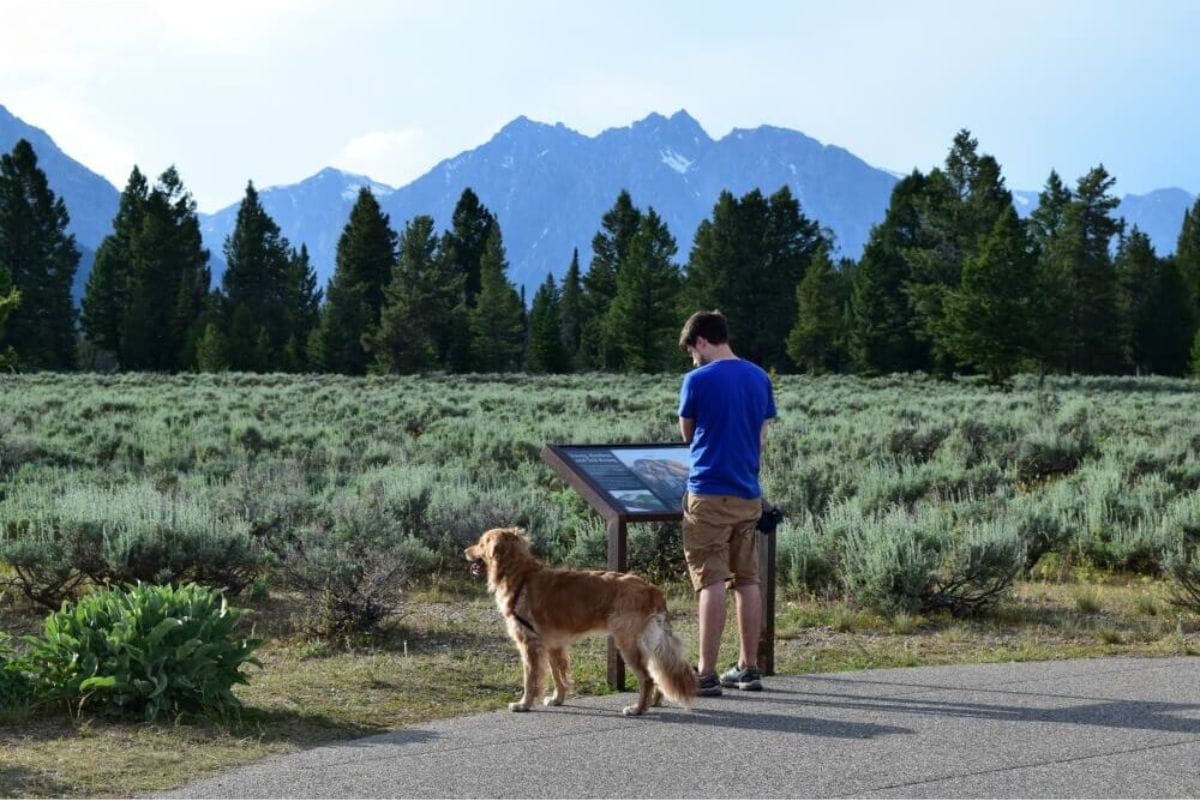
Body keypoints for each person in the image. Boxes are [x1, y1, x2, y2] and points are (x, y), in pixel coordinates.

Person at [677, 310, 776, 696]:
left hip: (708, 490)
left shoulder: (697, 380)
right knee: (747, 578)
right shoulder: (759, 376)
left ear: (701, 340)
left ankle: (705, 672)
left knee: (711, 579)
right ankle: (749, 666)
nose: (693, 358)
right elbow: (762, 435)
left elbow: (688, 433)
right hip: (747, 491)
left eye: (691, 351)